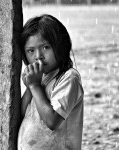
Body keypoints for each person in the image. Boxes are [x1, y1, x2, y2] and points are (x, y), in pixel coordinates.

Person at [18, 14, 84, 150]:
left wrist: (35, 86)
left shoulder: (69, 78)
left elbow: (52, 121)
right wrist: (30, 87)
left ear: (60, 46)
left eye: (45, 47)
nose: (38, 56)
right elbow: (21, 114)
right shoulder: (39, 78)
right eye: (31, 51)